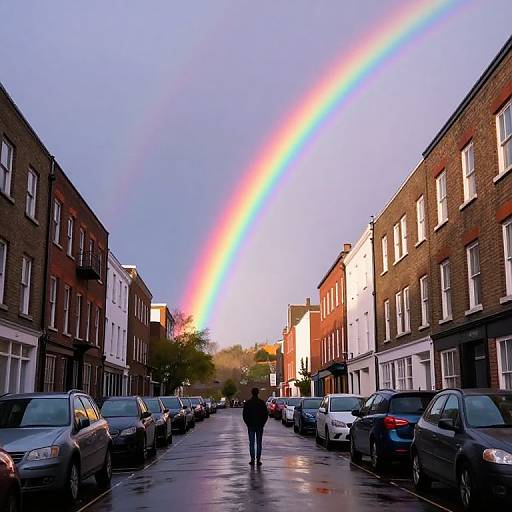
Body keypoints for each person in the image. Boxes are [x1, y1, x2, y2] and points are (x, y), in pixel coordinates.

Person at [242, 388, 268, 466]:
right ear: (258, 393)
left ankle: (252, 459)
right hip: (260, 426)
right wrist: (263, 423)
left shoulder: (248, 403)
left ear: (252, 393)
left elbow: (244, 415)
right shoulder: (261, 403)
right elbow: (265, 415)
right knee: (259, 443)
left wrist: (248, 424)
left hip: (251, 426)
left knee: (252, 443)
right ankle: (258, 459)